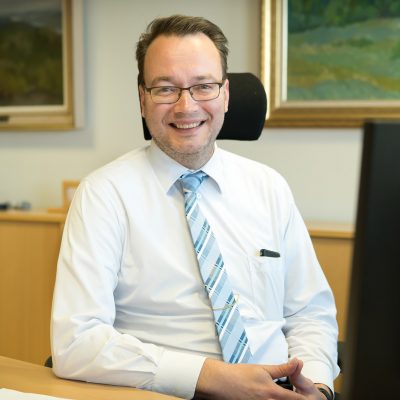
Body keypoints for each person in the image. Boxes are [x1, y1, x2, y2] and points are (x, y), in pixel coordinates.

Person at [51, 15, 339, 400]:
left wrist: (317, 386)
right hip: (166, 394)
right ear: (142, 99)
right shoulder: (103, 195)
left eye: (203, 86)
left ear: (226, 94)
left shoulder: (269, 187)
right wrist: (211, 377)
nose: (186, 106)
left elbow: (309, 314)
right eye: (165, 89)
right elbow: (76, 341)